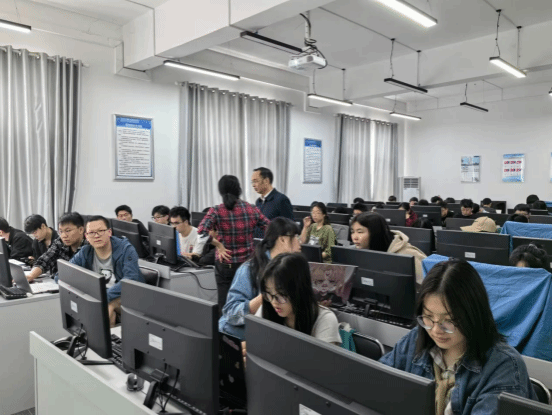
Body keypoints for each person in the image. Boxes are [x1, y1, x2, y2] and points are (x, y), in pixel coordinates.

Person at [380, 258, 536, 415]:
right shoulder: (414, 340)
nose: (436, 330)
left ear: (473, 315)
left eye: (449, 320)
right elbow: (377, 385)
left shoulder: (503, 367)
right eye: (428, 317)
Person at [219, 218, 301, 340]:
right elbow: (231, 314)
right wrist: (268, 296)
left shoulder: (294, 268)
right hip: (240, 336)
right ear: (283, 239)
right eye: (297, 237)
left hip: (272, 335)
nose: (300, 244)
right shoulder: (250, 269)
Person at [198, 175, 270, 312]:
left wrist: (219, 245)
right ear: (238, 189)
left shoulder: (216, 210)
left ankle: (225, 326)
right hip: (248, 265)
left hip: (225, 265)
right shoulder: (251, 209)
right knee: (247, 305)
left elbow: (201, 232)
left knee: (225, 306)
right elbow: (270, 228)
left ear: (221, 191)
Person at [68, 215, 143, 327]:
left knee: (107, 308)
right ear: (86, 236)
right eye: (91, 233)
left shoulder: (126, 249)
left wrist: (103, 296)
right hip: (100, 295)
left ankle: (108, 338)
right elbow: (64, 272)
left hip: (127, 295)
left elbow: (131, 279)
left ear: (109, 232)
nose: (96, 235)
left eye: (101, 231)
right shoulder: (85, 252)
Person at [255, 253, 341, 345]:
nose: (274, 302)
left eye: (281, 295)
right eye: (269, 294)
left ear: (299, 290)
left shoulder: (325, 320)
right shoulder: (266, 309)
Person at [350, 213, 427, 284]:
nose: (354, 237)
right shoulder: (358, 253)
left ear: (375, 233)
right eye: (353, 232)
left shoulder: (408, 254)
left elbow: (430, 286)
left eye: (360, 232)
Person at [27, 212, 87, 281]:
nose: (63, 236)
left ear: (81, 230)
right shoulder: (60, 242)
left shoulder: (88, 247)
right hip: (58, 281)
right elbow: (45, 259)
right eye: (61, 231)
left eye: (68, 231)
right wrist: (30, 275)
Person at [252, 167, 294, 238]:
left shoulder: (281, 199)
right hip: (259, 242)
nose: (253, 185)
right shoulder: (258, 201)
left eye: (256, 181)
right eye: (252, 182)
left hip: (273, 242)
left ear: (266, 181)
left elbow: (289, 226)